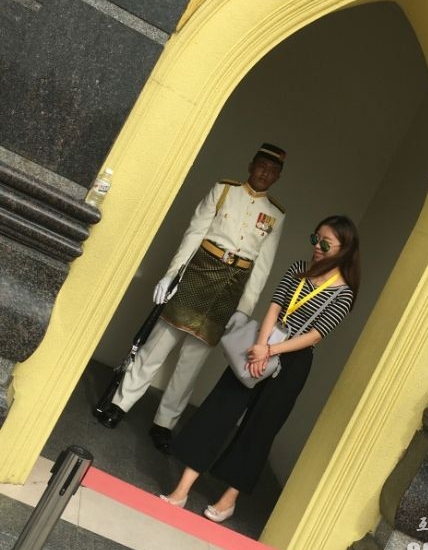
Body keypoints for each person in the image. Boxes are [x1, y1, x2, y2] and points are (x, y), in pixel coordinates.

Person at [159, 214, 360, 521]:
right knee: (219, 410)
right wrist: (262, 345)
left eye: (325, 244)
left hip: (292, 361)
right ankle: (182, 490)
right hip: (259, 344)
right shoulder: (298, 268)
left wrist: (271, 350)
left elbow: (316, 335)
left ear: (344, 249)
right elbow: (275, 306)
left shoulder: (343, 293)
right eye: (315, 239)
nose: (316, 247)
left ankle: (228, 500)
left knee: (260, 429)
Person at [95, 143, 287, 454]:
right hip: (199, 272)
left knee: (192, 362)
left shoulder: (275, 215)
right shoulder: (224, 190)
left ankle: (164, 423)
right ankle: (120, 403)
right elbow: (194, 234)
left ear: (278, 177)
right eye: (262, 166)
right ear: (251, 164)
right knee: (158, 344)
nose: (266, 173)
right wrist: (172, 274)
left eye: (273, 170)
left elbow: (262, 268)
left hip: (230, 289)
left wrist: (244, 308)